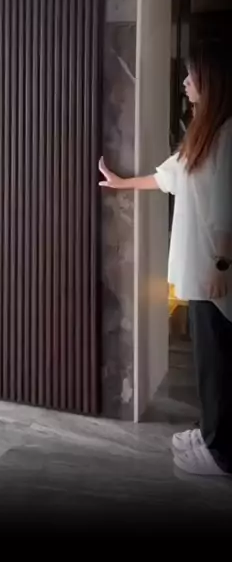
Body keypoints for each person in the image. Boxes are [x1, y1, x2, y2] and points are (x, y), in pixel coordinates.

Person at [99, 39, 232, 476]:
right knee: (209, 359)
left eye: (192, 76)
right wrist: (120, 183)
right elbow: (167, 177)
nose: (185, 83)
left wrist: (221, 265)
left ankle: (221, 453)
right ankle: (212, 432)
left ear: (210, 81)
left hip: (214, 272)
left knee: (218, 362)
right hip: (201, 270)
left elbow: (227, 207)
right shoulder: (205, 132)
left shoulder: (227, 135)